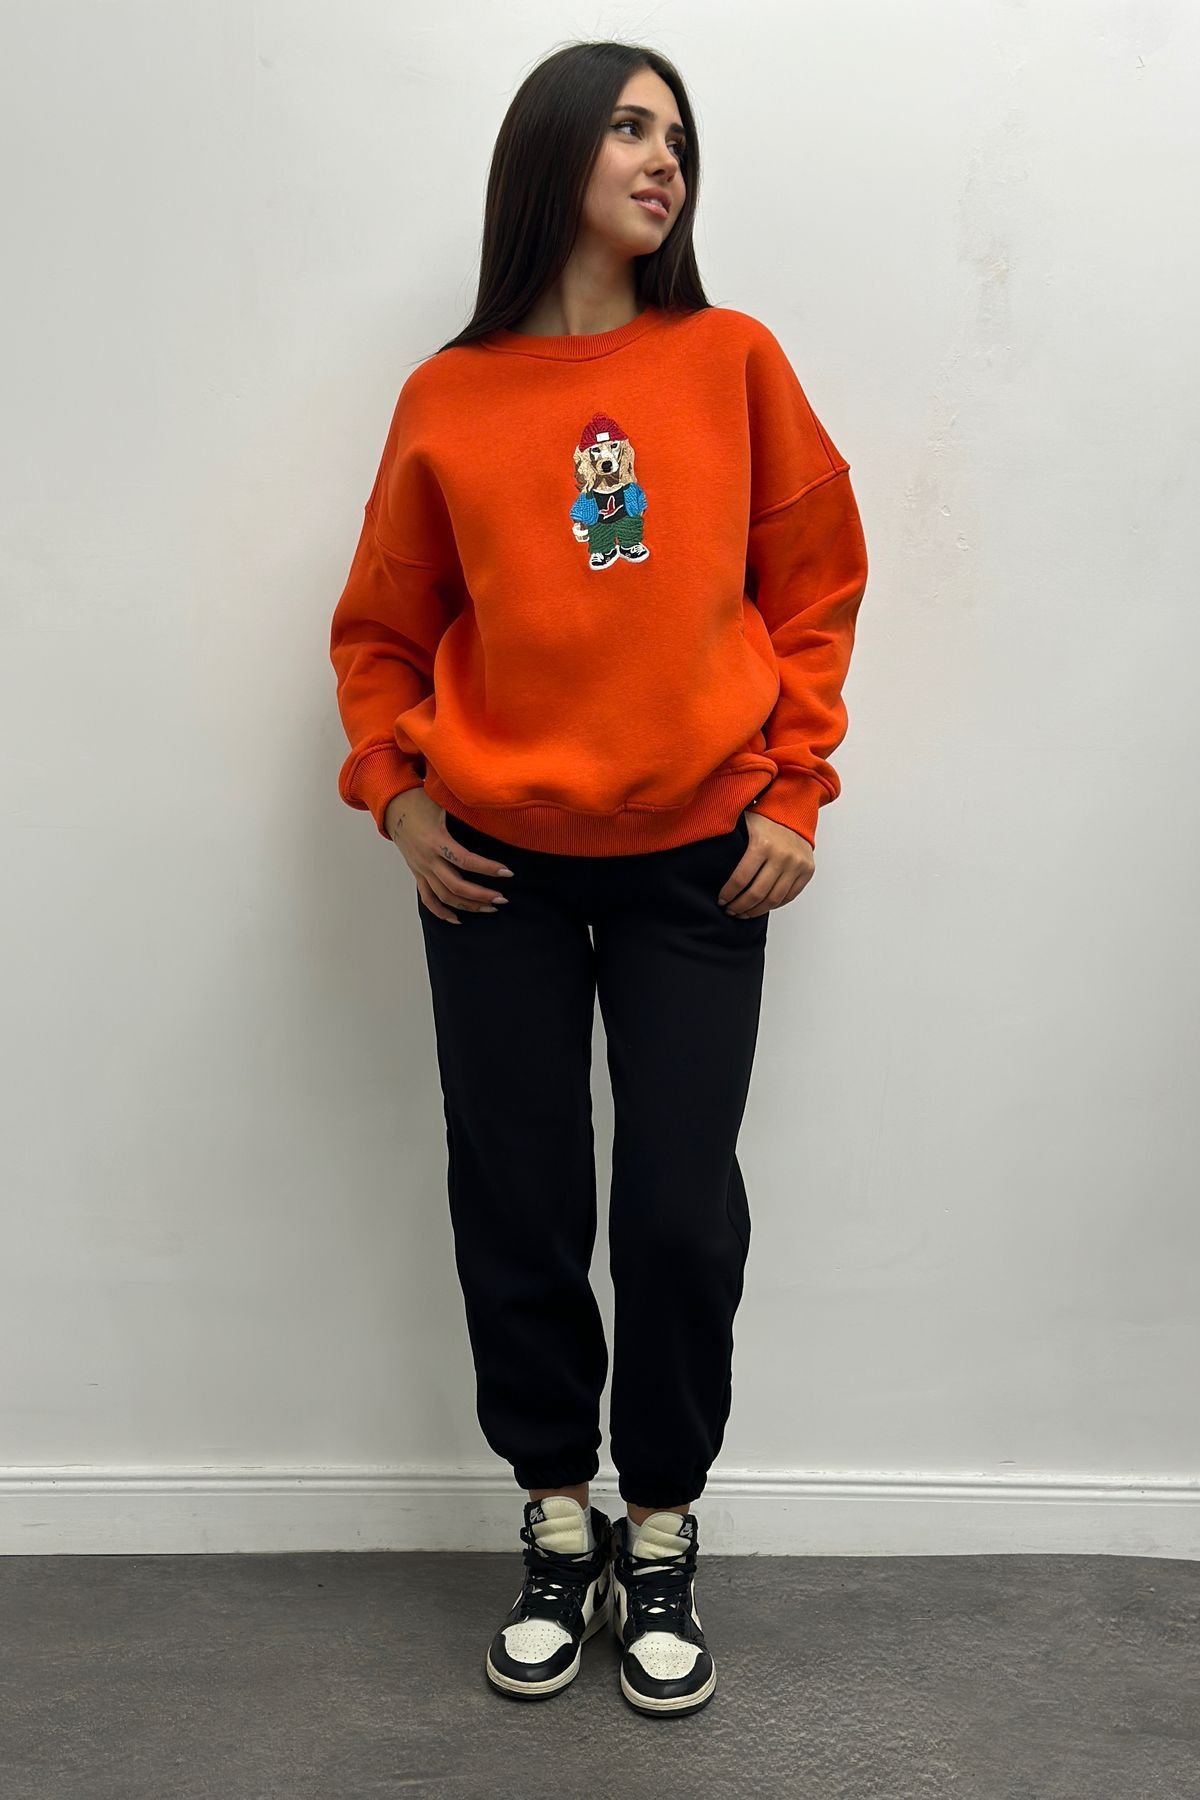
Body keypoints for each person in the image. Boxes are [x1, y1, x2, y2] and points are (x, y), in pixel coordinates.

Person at [329, 39, 868, 1719]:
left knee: (678, 1211)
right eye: (631, 128)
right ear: (552, 151)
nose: (664, 160)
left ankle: (664, 1526)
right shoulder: (449, 396)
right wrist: (397, 797)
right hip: (496, 867)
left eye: (679, 137)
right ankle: (557, 1518)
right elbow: (382, 627)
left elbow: (817, 586)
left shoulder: (733, 360)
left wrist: (797, 788)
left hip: (699, 864)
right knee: (519, 1194)